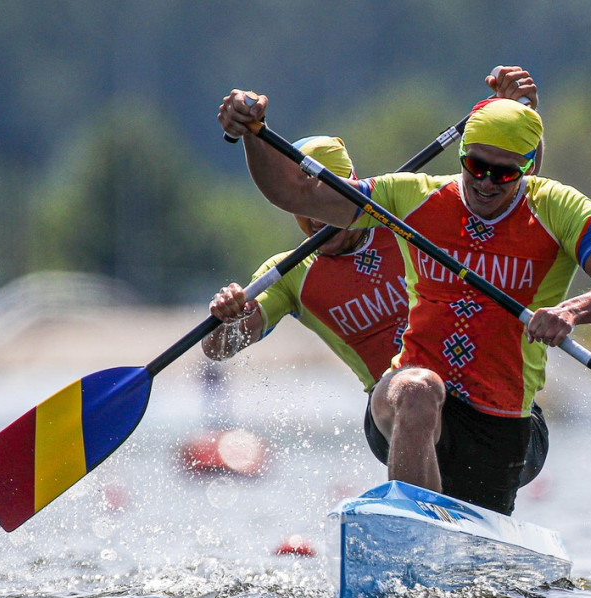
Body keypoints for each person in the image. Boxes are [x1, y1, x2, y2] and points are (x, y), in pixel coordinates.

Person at [216, 67, 591, 515]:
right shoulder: (411, 199)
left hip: (503, 419)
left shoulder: (559, 207)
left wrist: (572, 311)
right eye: (476, 166)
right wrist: (253, 132)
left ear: (529, 167)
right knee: (419, 389)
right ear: (460, 155)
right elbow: (293, 193)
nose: (485, 182)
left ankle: (447, 534)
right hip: (406, 402)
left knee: (479, 517)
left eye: (502, 174)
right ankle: (412, 525)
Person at [204, 68, 549, 487]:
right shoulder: (291, 274)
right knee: (417, 395)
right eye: (304, 208)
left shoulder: (405, 220)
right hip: (400, 415)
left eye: (325, 202)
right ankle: (414, 521)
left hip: (497, 412)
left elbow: (512, 201)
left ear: (347, 192)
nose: (316, 220)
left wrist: (514, 114)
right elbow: (219, 347)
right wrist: (227, 316)